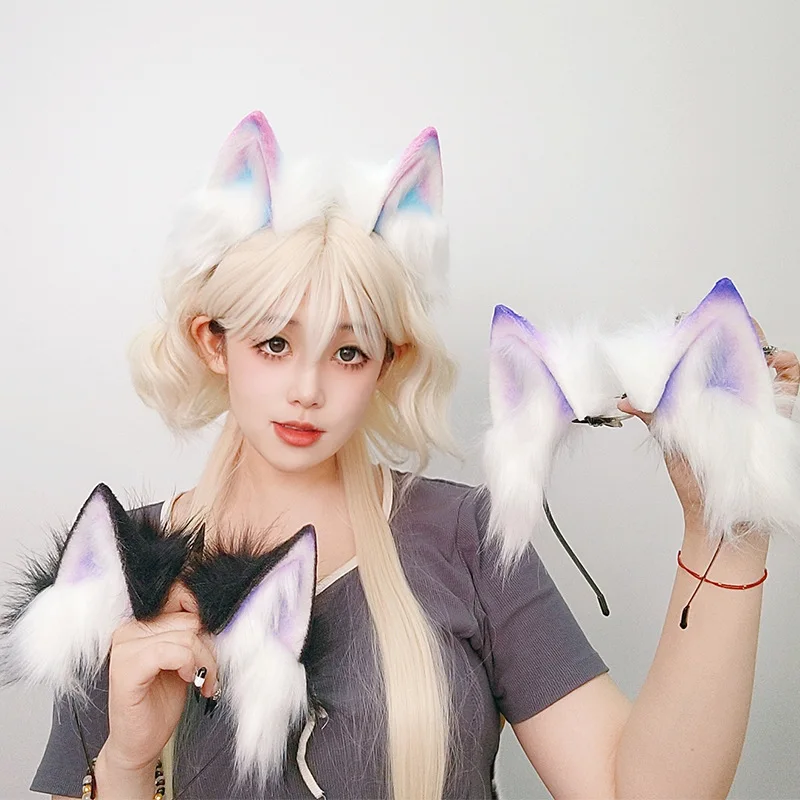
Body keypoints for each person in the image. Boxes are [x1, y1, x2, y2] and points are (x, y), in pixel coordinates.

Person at [28, 111, 800, 800]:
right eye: (274, 343)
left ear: (387, 363)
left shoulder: (467, 539)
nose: (306, 390)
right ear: (213, 342)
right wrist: (127, 764)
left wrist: (727, 518)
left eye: (348, 352)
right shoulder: (118, 564)